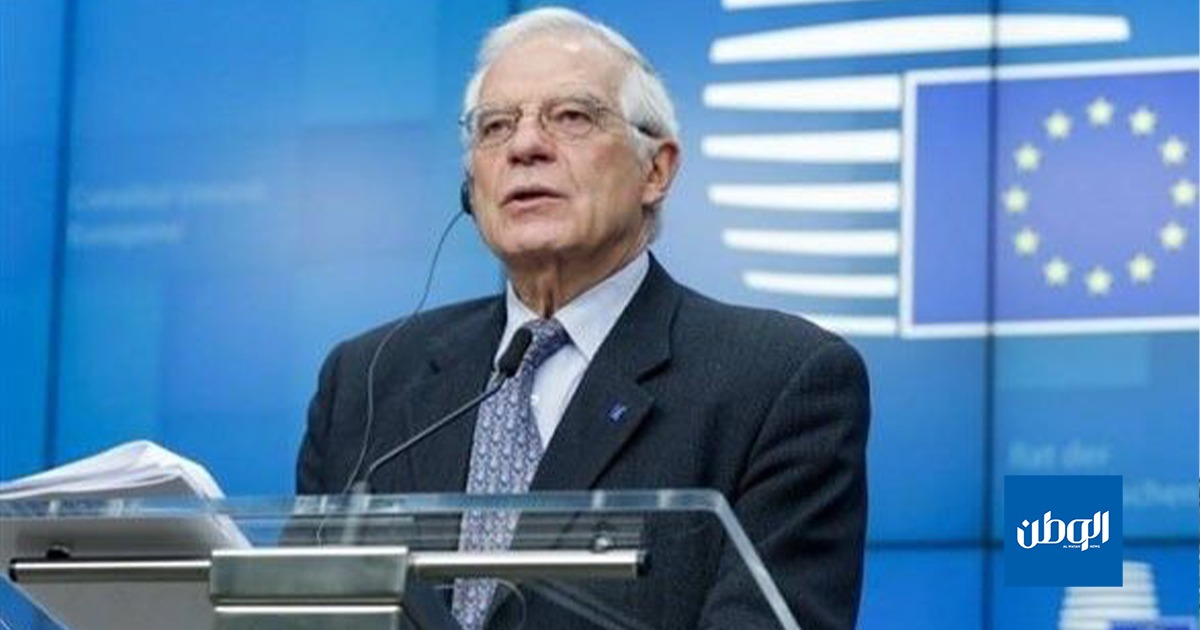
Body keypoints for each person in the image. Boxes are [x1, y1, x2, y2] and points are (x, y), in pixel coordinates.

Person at [298, 7, 869, 630]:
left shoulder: (779, 380)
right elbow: (296, 610)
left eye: (571, 116)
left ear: (656, 170)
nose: (524, 147)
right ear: (471, 184)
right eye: (495, 126)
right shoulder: (366, 381)